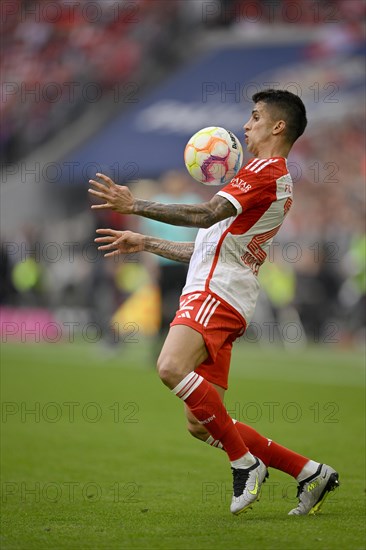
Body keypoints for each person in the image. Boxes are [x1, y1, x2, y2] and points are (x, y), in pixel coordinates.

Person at [88, 89, 339, 516]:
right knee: (201, 425)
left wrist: (135, 206)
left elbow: (203, 215)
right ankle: (310, 472)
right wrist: (143, 241)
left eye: (255, 117)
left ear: (278, 126)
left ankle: (246, 464)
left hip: (216, 294)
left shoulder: (265, 171)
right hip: (219, 289)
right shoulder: (262, 177)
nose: (246, 125)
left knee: (169, 366)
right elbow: (204, 249)